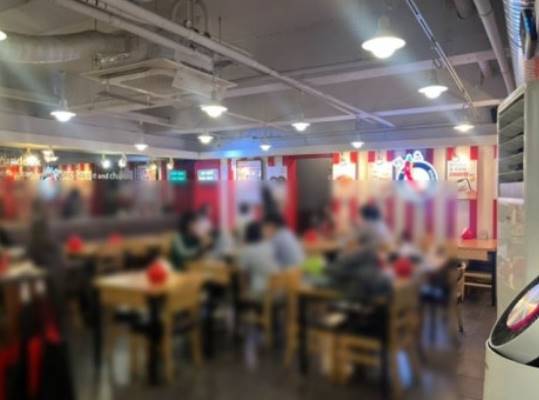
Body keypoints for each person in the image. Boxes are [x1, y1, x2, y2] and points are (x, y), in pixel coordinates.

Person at [237, 221, 278, 297]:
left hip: (261, 293)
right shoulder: (269, 246)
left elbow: (242, 275)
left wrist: (242, 294)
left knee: (236, 284)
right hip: (278, 290)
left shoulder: (246, 250)